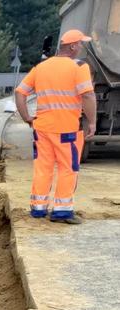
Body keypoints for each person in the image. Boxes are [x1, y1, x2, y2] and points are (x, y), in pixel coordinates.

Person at [14, 29, 97, 224]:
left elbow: (20, 92)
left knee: (43, 168)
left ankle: (38, 208)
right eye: (81, 44)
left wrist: (27, 117)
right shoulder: (79, 66)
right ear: (73, 46)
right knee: (68, 168)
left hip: (42, 129)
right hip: (67, 129)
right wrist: (92, 121)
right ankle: (62, 211)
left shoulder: (41, 67)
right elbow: (87, 95)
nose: (82, 48)